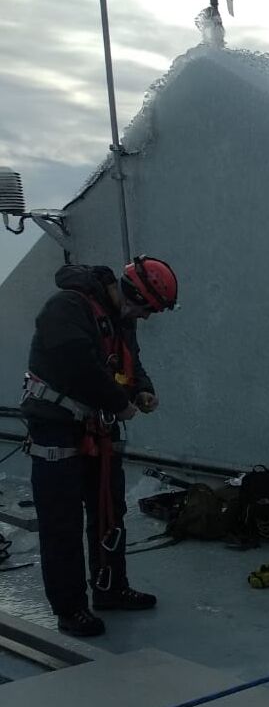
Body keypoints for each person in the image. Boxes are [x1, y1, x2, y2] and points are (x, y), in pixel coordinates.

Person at [20, 257, 178, 636]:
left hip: (98, 429)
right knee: (63, 523)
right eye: (146, 308)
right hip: (57, 430)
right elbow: (79, 365)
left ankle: (111, 588)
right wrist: (119, 403)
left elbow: (129, 362)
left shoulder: (120, 318)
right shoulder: (66, 308)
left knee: (109, 512)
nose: (145, 318)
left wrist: (143, 390)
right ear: (134, 293)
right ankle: (70, 609)